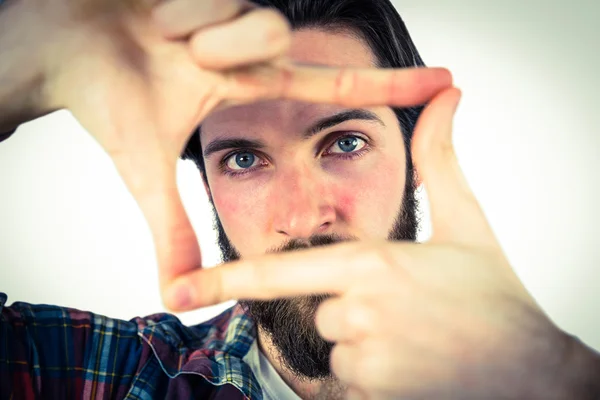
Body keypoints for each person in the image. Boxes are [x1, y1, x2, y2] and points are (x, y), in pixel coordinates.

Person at [1, 0, 599, 399]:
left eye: (345, 142)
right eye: (243, 159)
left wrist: (568, 384)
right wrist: (16, 62)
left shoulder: (548, 381)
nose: (303, 215)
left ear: (419, 155)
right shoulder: (116, 375)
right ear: (209, 187)